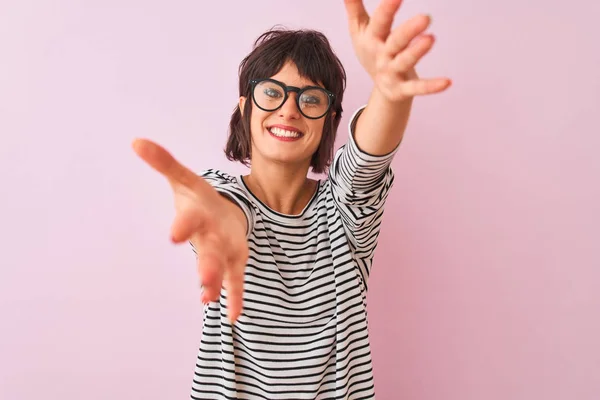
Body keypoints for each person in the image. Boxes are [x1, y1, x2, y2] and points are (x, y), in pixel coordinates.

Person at [132, 0, 451, 398]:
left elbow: (369, 157)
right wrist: (213, 224)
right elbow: (218, 210)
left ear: (330, 121)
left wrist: (391, 93)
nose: (289, 110)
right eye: (272, 92)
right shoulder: (223, 194)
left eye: (311, 99)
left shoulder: (346, 209)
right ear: (245, 108)